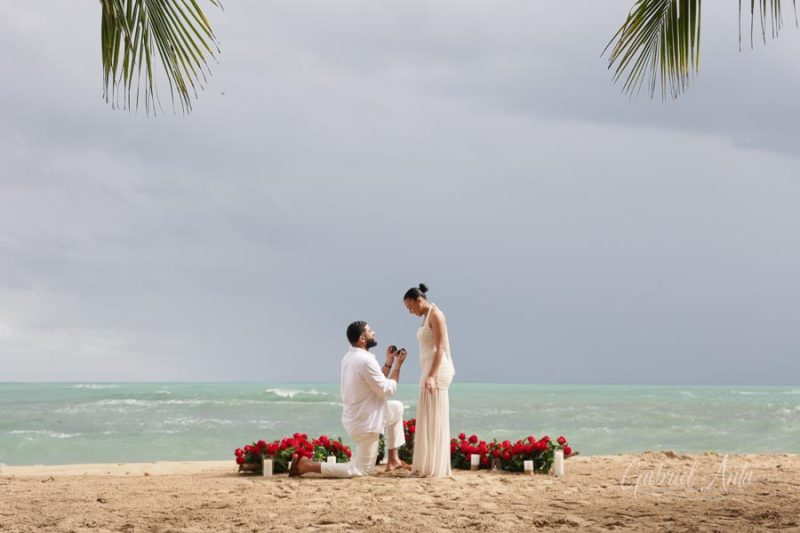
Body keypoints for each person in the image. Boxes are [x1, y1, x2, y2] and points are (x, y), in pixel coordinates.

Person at [290, 320, 409, 477]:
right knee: (361, 470)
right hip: (366, 422)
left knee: (397, 408)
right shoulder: (366, 360)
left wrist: (388, 362)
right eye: (370, 331)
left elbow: (375, 382)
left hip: (359, 416)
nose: (373, 332)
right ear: (362, 339)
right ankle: (307, 465)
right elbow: (387, 390)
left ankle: (393, 460)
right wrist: (398, 366)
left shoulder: (350, 356)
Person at [403, 283, 455, 477]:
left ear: (419, 300)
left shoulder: (436, 315)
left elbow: (440, 347)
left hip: (436, 370)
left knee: (435, 416)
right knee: (426, 416)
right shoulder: (425, 316)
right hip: (427, 369)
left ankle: (435, 466)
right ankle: (425, 464)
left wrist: (432, 376)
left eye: (411, 307)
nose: (410, 311)